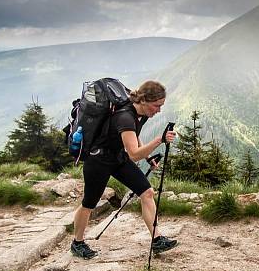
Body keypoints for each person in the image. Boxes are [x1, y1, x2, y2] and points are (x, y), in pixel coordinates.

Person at [70, 80, 178, 259]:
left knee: (147, 193)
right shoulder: (125, 117)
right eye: (156, 105)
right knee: (89, 203)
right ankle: (77, 242)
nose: (159, 110)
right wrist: (159, 140)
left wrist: (149, 157)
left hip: (118, 157)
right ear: (144, 100)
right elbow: (134, 153)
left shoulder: (140, 114)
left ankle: (157, 239)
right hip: (98, 160)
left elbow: (133, 137)